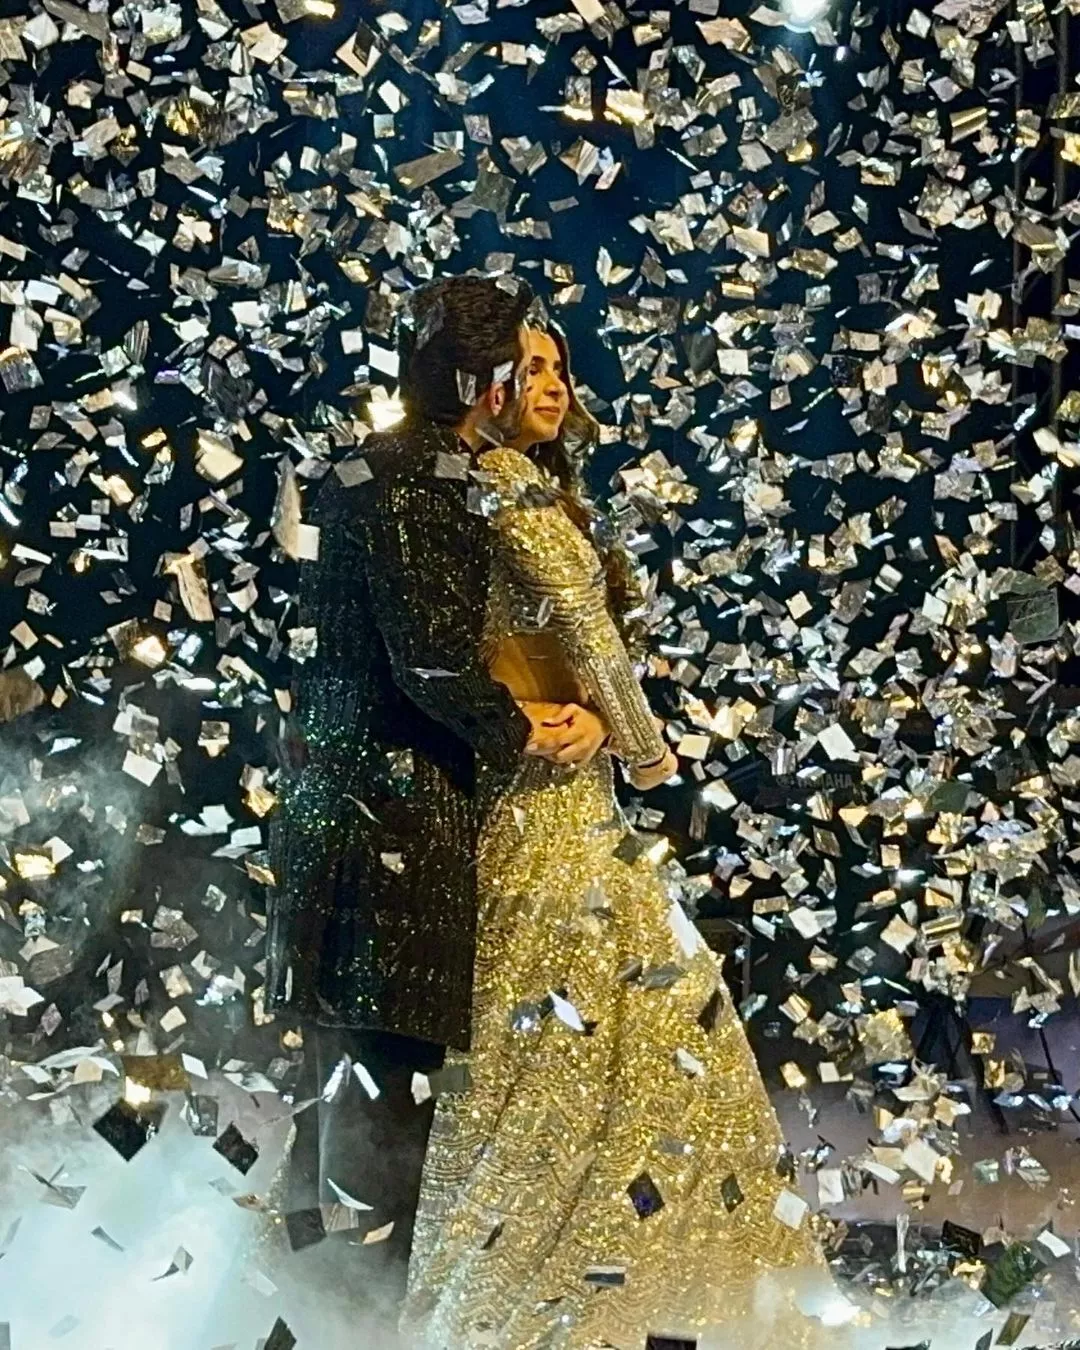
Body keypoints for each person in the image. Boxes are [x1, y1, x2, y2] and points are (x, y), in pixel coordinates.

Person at [397, 323, 859, 1349]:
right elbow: (586, 633)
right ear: (483, 384)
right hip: (540, 809)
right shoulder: (502, 485)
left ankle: (624, 1301)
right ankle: (547, 1312)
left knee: (627, 1048)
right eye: (530, 368)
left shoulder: (492, 486)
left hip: (557, 796)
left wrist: (602, 734)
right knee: (569, 1059)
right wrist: (646, 751)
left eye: (560, 367)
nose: (552, 384)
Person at [264, 274, 614, 1313]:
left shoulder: (365, 467)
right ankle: (358, 1321)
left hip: (339, 815)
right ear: (487, 381)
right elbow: (431, 661)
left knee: (344, 1100)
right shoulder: (425, 479)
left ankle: (301, 1310)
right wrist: (532, 729)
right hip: (396, 831)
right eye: (522, 366)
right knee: (388, 1118)